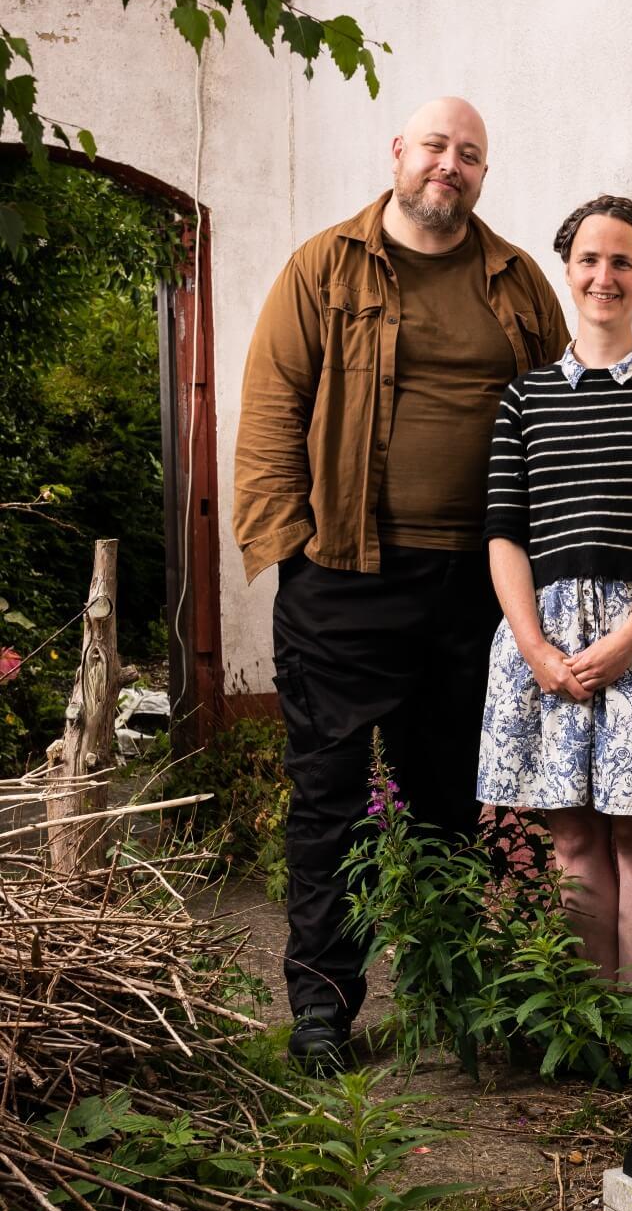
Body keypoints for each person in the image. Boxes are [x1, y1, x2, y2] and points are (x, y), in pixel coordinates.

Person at [233, 97, 571, 1072]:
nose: (449, 166)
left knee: (453, 801)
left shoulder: (515, 281)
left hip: (478, 585)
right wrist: (293, 545)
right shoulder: (324, 267)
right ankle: (325, 1008)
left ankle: (449, 993)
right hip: (346, 577)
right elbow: (269, 410)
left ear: (480, 173)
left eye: (468, 155)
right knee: (332, 798)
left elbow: (554, 407)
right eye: (435, 147)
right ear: (398, 154)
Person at [477, 195, 632, 984]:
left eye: (622, 261)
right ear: (567, 269)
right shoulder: (524, 399)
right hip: (543, 637)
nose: (603, 276)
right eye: (589, 259)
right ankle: (584, 1023)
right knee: (572, 839)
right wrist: (534, 648)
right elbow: (504, 535)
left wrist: (627, 643)